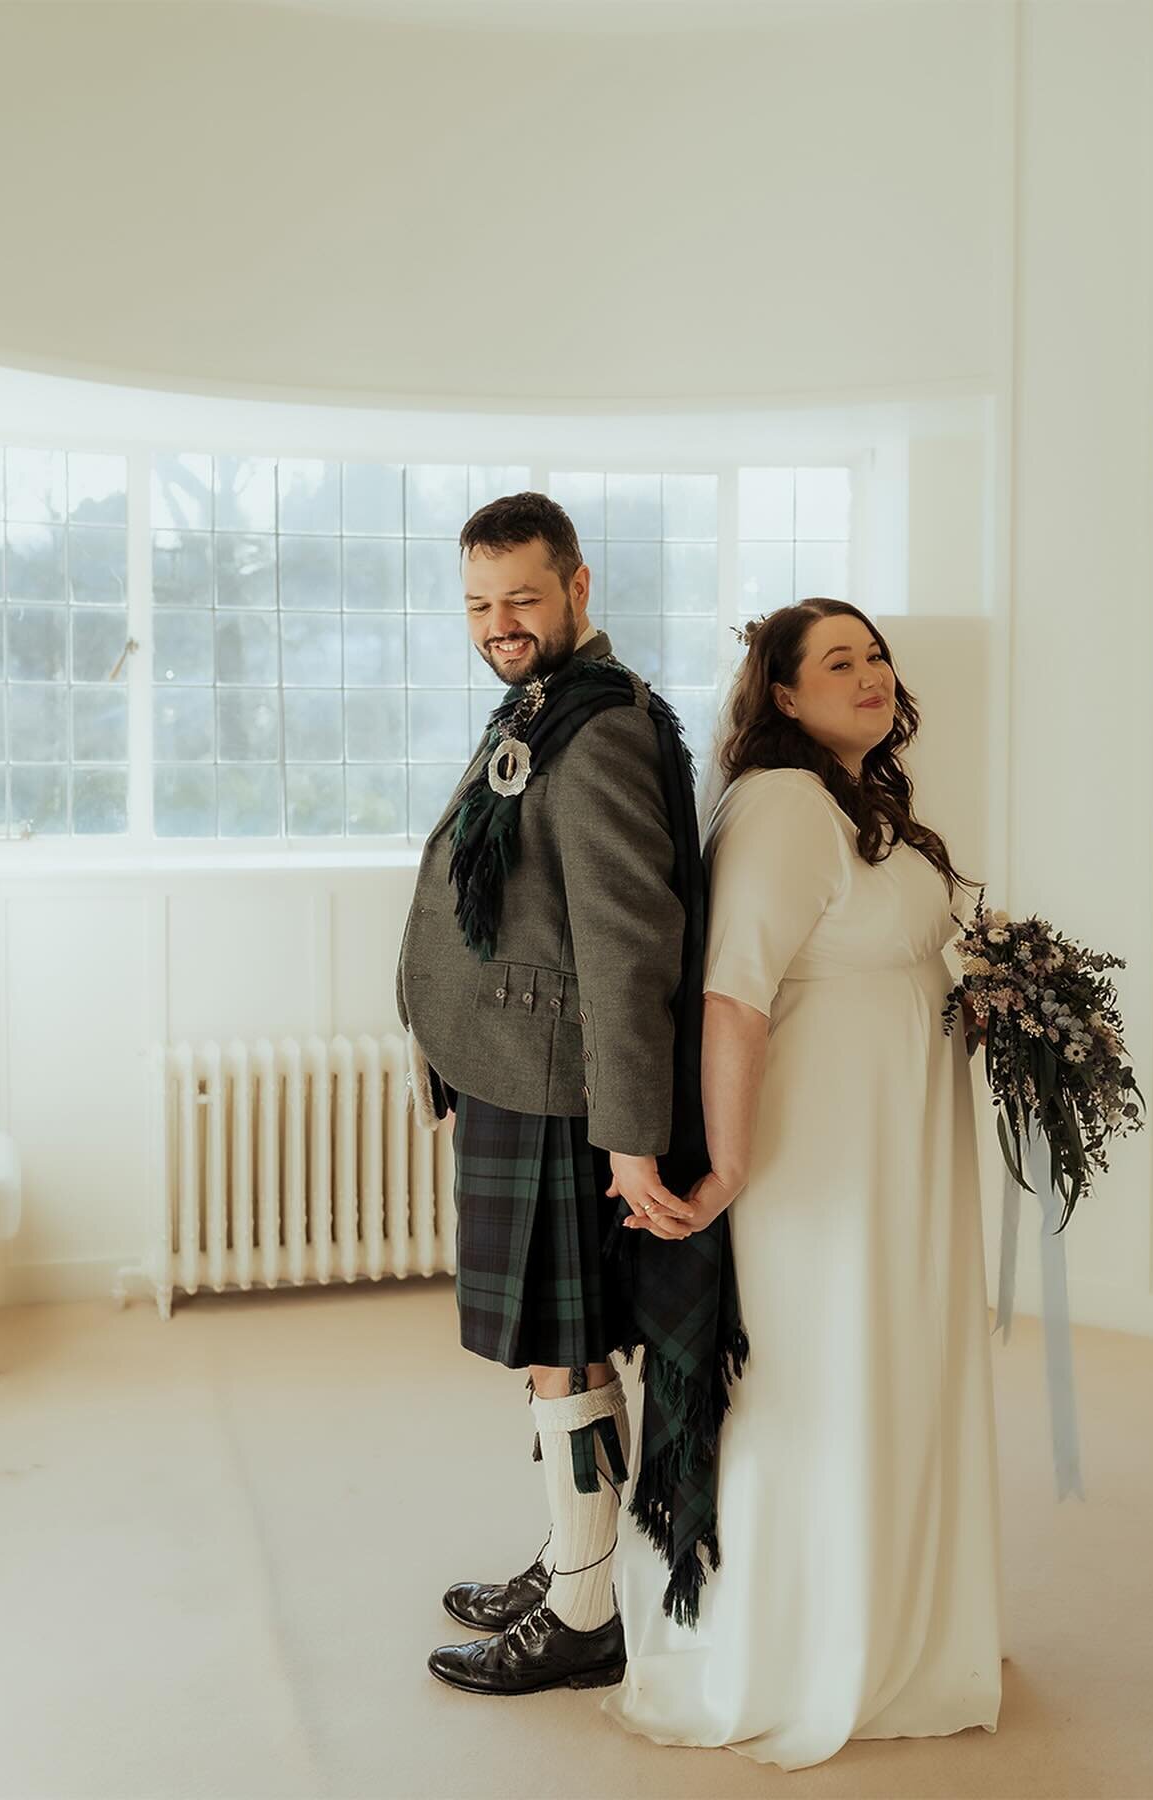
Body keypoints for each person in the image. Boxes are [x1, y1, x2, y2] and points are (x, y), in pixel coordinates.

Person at [600, 598, 1003, 1770]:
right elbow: (735, 993)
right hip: (819, 1167)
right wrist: (728, 1164)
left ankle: (900, 1623)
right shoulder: (782, 806)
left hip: (896, 1158)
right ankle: (795, 1649)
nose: (871, 674)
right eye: (839, 661)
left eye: (876, 655)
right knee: (824, 1382)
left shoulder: (859, 800)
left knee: (894, 1368)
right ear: (781, 693)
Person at [394, 491, 743, 1697]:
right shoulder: (540, 709)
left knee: (562, 1349)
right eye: (480, 602)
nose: (499, 622)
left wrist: (634, 1139)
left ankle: (590, 1612)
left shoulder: (594, 729)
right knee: (560, 1346)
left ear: (580, 586)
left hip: (559, 1092)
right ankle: (573, 1558)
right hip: (514, 1074)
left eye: (522, 597)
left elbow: (626, 940)